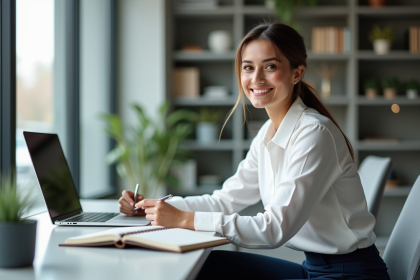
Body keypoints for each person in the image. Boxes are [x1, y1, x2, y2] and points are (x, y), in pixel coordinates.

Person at [119, 23, 390, 280]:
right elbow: (224, 200)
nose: (256, 78)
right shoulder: (267, 134)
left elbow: (274, 229)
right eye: (248, 67)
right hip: (313, 268)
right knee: (203, 266)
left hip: (349, 274)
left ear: (297, 73)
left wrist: (185, 219)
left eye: (270, 66)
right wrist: (154, 208)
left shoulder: (314, 133)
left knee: (200, 270)